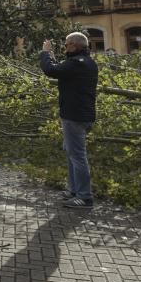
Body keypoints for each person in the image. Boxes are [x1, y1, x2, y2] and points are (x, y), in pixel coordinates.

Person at [39, 32, 98, 209]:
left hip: (74, 116)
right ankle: (73, 190)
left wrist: (45, 53)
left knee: (78, 156)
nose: (65, 48)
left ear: (74, 45)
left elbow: (51, 70)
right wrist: (52, 57)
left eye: (66, 45)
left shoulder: (77, 64)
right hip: (82, 115)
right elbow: (61, 69)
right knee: (72, 153)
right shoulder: (86, 62)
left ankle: (84, 196)